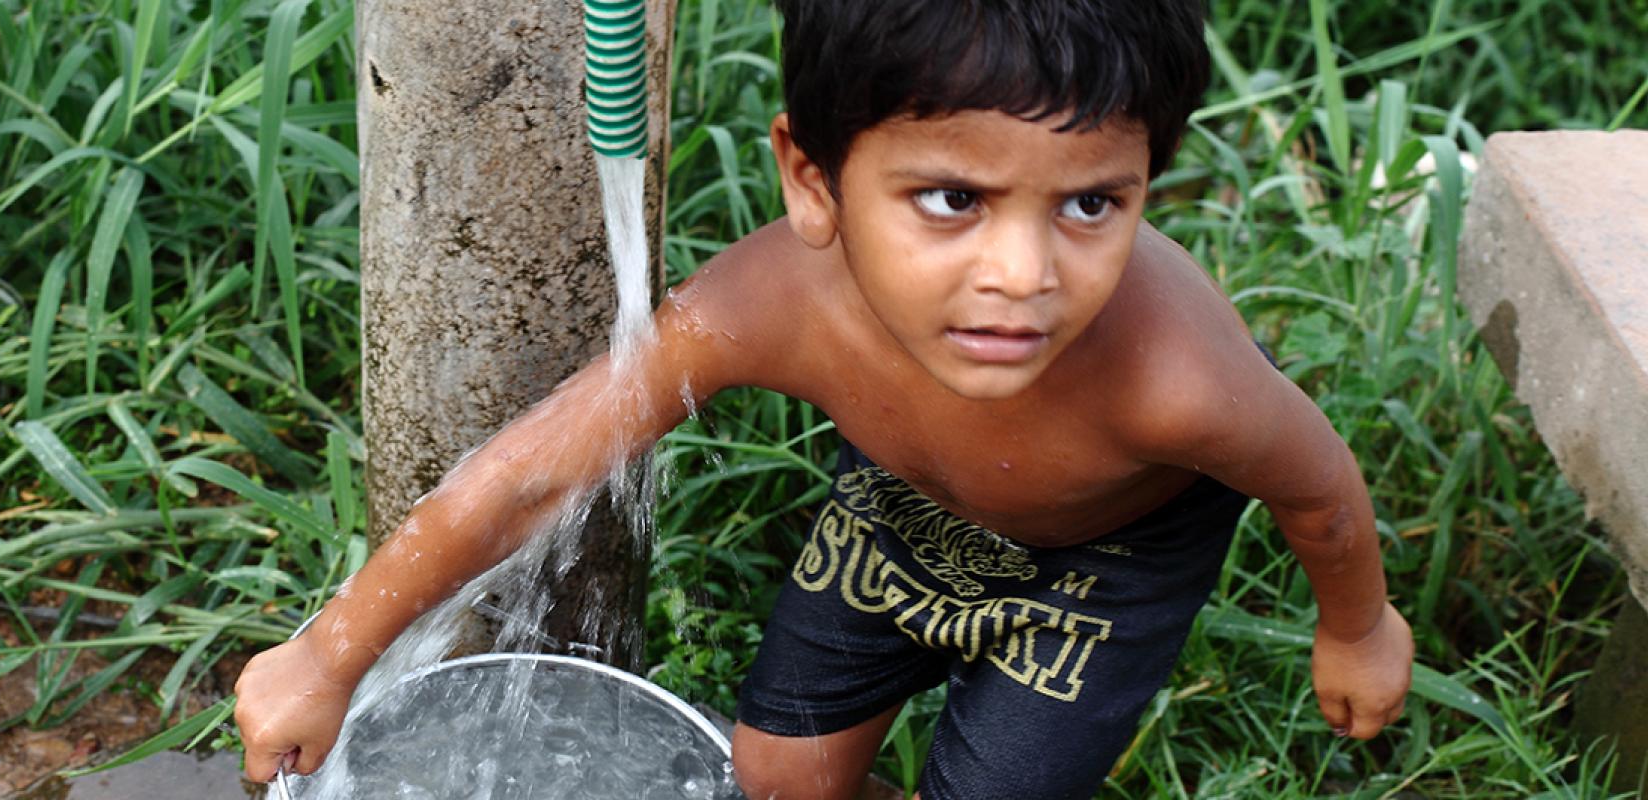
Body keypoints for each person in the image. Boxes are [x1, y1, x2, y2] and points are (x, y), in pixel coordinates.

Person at [234, 0, 1414, 796]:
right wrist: (330, 653)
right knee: (775, 772)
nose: (1023, 275)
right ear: (813, 178)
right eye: (952, 199)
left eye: (1090, 204)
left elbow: (1315, 493)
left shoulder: (1176, 384)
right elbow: (531, 469)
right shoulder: (770, 306)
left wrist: (1356, 624)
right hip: (897, 514)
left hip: (1100, 570)